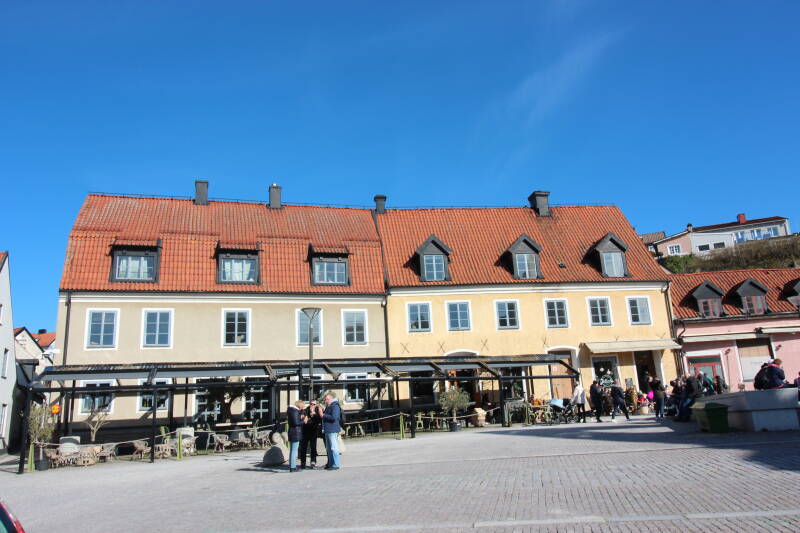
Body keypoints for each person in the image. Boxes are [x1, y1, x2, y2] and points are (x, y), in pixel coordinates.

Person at [300, 398, 323, 469]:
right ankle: (303, 462)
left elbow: (320, 419)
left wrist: (315, 414)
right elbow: (302, 417)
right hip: (305, 431)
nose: (312, 405)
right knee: (303, 447)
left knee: (313, 447)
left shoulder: (318, 410)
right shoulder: (306, 410)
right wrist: (304, 417)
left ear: (316, 405)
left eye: (314, 404)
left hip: (313, 431)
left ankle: (313, 461)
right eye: (311, 404)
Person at [321, 392, 342, 470]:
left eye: (326, 399)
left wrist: (323, 415)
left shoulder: (335, 406)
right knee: (329, 448)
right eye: (325, 399)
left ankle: (336, 464)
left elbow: (334, 417)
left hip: (332, 429)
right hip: (327, 429)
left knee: (334, 447)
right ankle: (331, 463)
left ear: (331, 399)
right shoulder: (329, 406)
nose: (325, 401)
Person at [287, 400, 305, 473]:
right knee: (294, 450)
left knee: (292, 450)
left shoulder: (292, 410)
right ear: (300, 406)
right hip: (295, 432)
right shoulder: (294, 411)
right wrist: (304, 421)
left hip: (292, 431)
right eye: (302, 406)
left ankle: (292, 466)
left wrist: (300, 417)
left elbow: (295, 420)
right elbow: (296, 422)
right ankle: (293, 467)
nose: (302, 408)